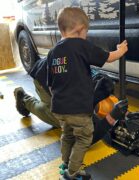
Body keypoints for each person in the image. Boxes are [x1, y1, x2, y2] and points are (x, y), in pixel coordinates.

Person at [46, 7, 127, 180]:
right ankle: (72, 173)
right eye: (86, 32)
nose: (86, 36)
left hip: (59, 108)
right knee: (84, 138)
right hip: (78, 109)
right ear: (80, 29)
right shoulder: (81, 45)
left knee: (67, 135)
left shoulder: (53, 53)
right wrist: (120, 50)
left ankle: (66, 164)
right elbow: (109, 58)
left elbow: (51, 84)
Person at [14, 57, 128, 145]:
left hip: (53, 71)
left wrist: (123, 112)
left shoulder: (103, 82)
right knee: (59, 120)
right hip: (42, 78)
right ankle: (24, 100)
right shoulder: (78, 102)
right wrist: (111, 118)